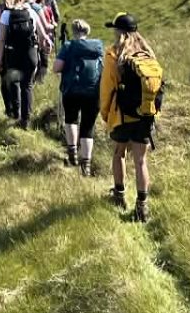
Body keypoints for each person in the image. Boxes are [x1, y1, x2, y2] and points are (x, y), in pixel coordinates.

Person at [101, 14, 164, 221]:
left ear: (120, 32)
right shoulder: (147, 54)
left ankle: (119, 196)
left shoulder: (114, 54)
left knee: (119, 153)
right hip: (145, 115)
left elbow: (107, 88)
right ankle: (142, 206)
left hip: (122, 114)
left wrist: (105, 113)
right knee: (140, 160)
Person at [52, 20, 105, 175]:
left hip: (72, 90)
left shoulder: (68, 46)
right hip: (93, 91)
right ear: (87, 31)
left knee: (71, 119)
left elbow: (56, 68)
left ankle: (73, 154)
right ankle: (86, 165)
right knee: (88, 127)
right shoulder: (97, 46)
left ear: (73, 31)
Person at [0, 0, 47, 129]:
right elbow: (42, 35)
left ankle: (16, 115)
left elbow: (1, 40)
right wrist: (44, 48)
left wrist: (0, 60)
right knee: (28, 85)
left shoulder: (6, 14)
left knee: (15, 84)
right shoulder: (31, 12)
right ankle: (26, 120)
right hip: (31, 54)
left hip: (13, 55)